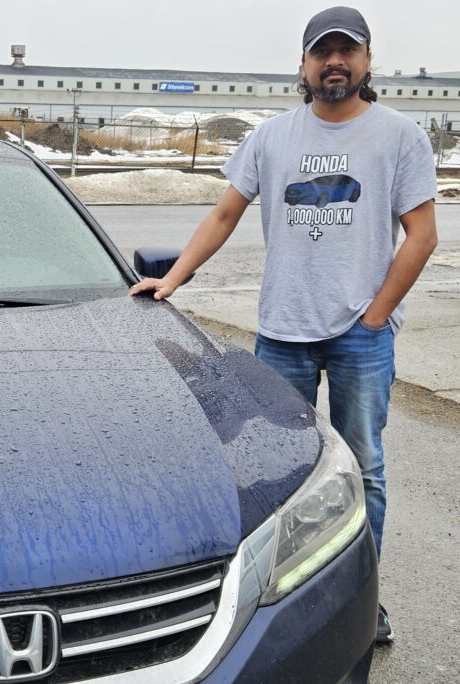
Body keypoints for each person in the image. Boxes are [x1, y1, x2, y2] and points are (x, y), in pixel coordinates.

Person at [129, 6, 438, 644]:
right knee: (277, 474)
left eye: (346, 51)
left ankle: (364, 599)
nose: (335, 62)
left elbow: (422, 235)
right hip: (283, 333)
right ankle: (276, 607)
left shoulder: (399, 136)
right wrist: (174, 277)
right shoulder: (271, 138)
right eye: (322, 52)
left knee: (365, 468)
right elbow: (223, 216)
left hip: (361, 336)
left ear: (367, 60)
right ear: (302, 65)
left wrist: (376, 315)